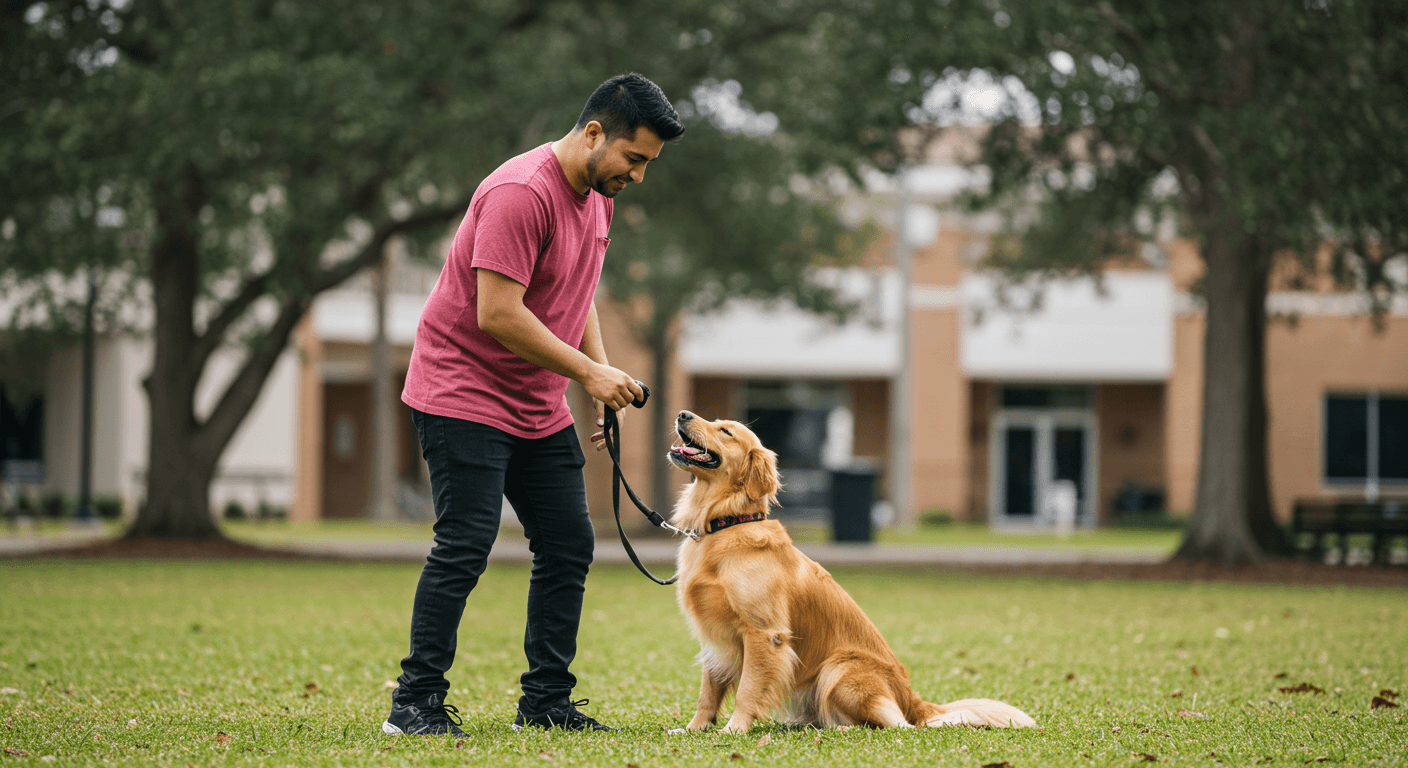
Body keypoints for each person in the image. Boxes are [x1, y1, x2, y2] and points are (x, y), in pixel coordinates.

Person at [381, 74, 684, 736]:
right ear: (594, 133)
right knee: (465, 542)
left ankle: (545, 704)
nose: (637, 176)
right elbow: (497, 313)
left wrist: (596, 376)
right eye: (635, 159)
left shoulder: (598, 195)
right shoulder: (521, 193)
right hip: (460, 390)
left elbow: (578, 295)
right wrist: (587, 374)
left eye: (647, 165)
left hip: (534, 402)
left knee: (569, 543)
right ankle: (415, 703)